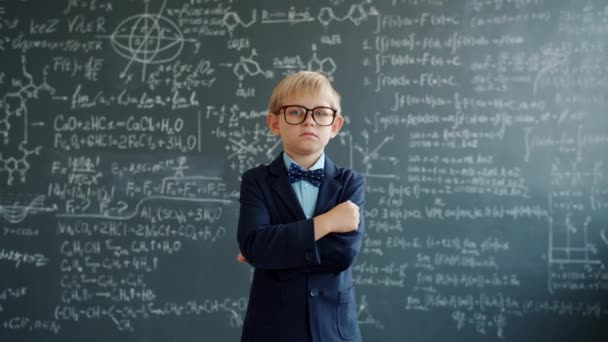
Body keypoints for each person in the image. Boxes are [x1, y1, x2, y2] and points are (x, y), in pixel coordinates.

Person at [236, 70, 366, 342]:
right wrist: (326, 223)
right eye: (296, 112)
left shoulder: (349, 183)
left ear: (335, 125)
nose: (309, 121)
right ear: (275, 122)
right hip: (272, 331)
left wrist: (275, 249)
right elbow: (255, 246)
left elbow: (343, 254)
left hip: (335, 331)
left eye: (320, 113)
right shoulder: (256, 181)